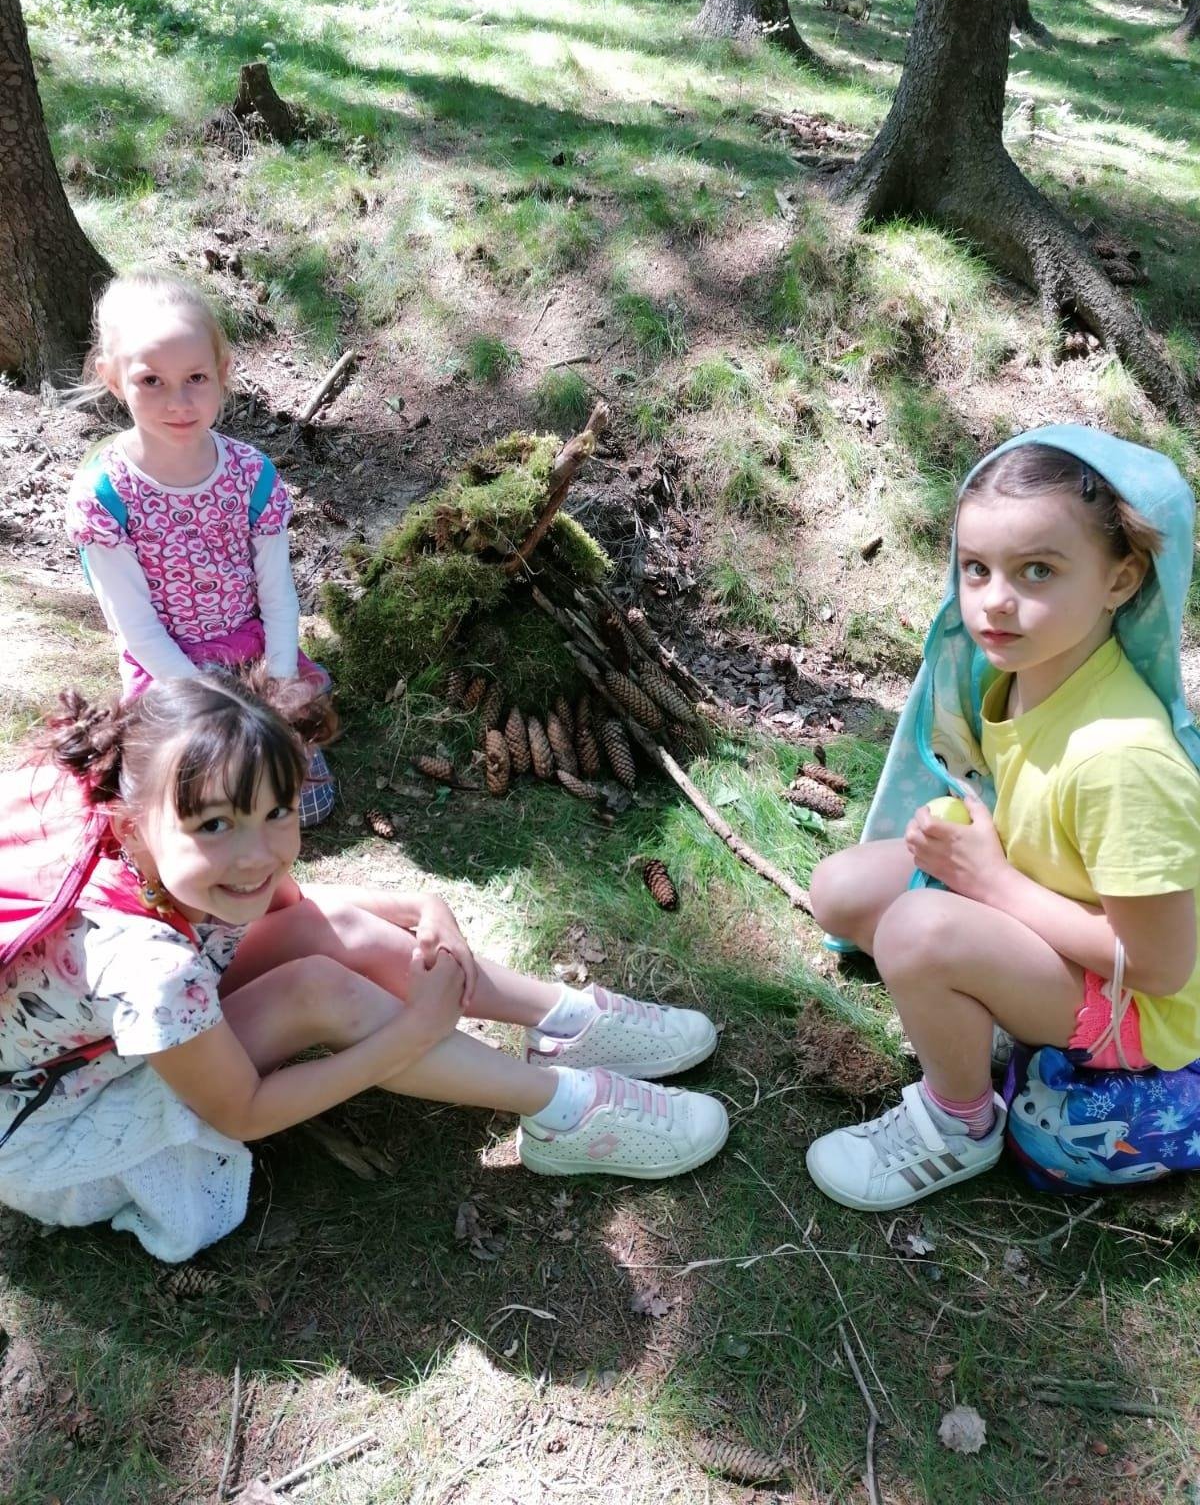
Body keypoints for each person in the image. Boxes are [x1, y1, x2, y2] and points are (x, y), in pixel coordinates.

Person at [0, 670, 727, 1262]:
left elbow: (299, 907)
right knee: (317, 992)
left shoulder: (150, 838)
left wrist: (418, 905)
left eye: (277, 812)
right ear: (133, 827)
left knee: (324, 933)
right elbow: (242, 1110)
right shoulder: (149, 968)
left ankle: (560, 1019)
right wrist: (412, 1033)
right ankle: (559, 1110)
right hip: (58, 1124)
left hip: (108, 1039)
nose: (256, 854)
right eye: (216, 824)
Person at [805, 428, 1200, 1210]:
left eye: (1038, 571)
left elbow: (1160, 969)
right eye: (976, 568)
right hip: (1045, 903)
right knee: (841, 893)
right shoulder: (1020, 670)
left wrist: (991, 885)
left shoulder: (1123, 759)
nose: (994, 600)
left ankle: (958, 1126)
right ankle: (976, 1002)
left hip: (1142, 1012)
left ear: (1121, 579)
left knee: (914, 931)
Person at [64, 269, 334, 825]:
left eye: (195, 377)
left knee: (306, 806)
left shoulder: (251, 474)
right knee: (185, 803)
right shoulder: (105, 495)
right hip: (167, 665)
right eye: (151, 381)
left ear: (222, 372)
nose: (179, 402)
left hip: (252, 653)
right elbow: (134, 626)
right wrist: (208, 700)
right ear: (112, 378)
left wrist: (281, 683)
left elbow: (278, 592)